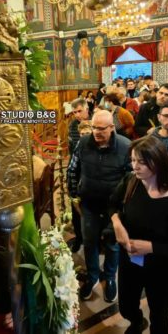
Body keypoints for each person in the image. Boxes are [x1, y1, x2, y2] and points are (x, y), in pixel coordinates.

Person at [110, 137, 168, 334]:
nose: (135, 166)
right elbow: (112, 204)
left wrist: (151, 247)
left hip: (162, 271)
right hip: (131, 262)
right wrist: (117, 223)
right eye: (133, 160)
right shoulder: (131, 182)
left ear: (158, 162)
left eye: (141, 162)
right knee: (126, 306)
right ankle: (137, 322)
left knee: (159, 318)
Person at [67, 111, 132, 303]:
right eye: (94, 127)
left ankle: (110, 277)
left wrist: (124, 206)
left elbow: (131, 179)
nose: (96, 132)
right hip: (89, 203)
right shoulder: (83, 143)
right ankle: (93, 276)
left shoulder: (125, 146)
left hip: (114, 207)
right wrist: (74, 193)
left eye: (101, 128)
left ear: (112, 127)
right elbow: (73, 168)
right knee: (89, 241)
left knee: (112, 243)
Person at [67, 98, 91, 252]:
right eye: (74, 112)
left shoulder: (97, 119)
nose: (76, 114)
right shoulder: (72, 126)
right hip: (77, 169)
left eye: (79, 111)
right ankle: (78, 238)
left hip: (92, 172)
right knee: (76, 211)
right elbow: (74, 149)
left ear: (86, 109)